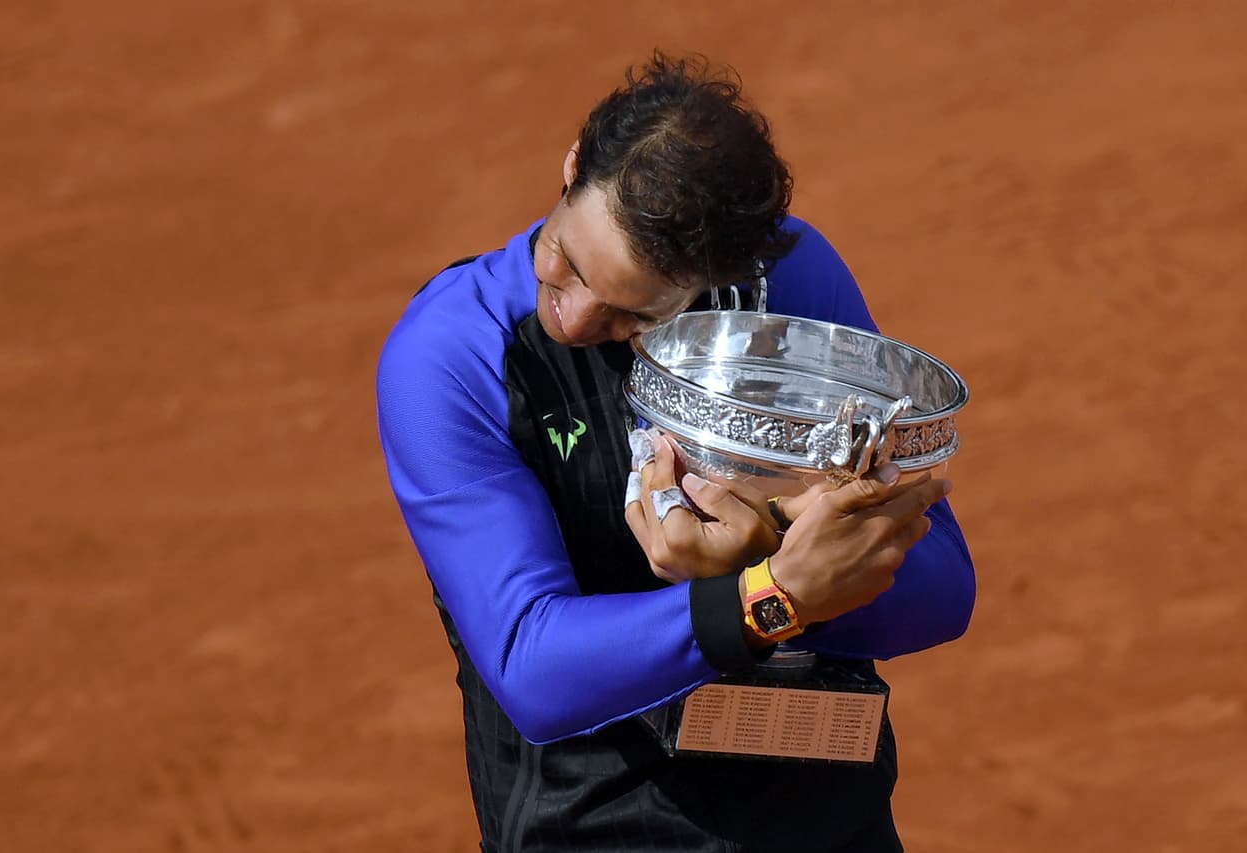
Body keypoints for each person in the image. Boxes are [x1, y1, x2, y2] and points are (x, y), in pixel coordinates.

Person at [377, 52, 975, 853]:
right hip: (596, 832)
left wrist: (770, 534)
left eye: (633, 315)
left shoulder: (788, 288)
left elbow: (945, 592)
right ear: (570, 167)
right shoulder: (452, 357)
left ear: (716, 280)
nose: (577, 316)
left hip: (828, 817)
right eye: (567, 259)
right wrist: (774, 594)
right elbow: (531, 664)